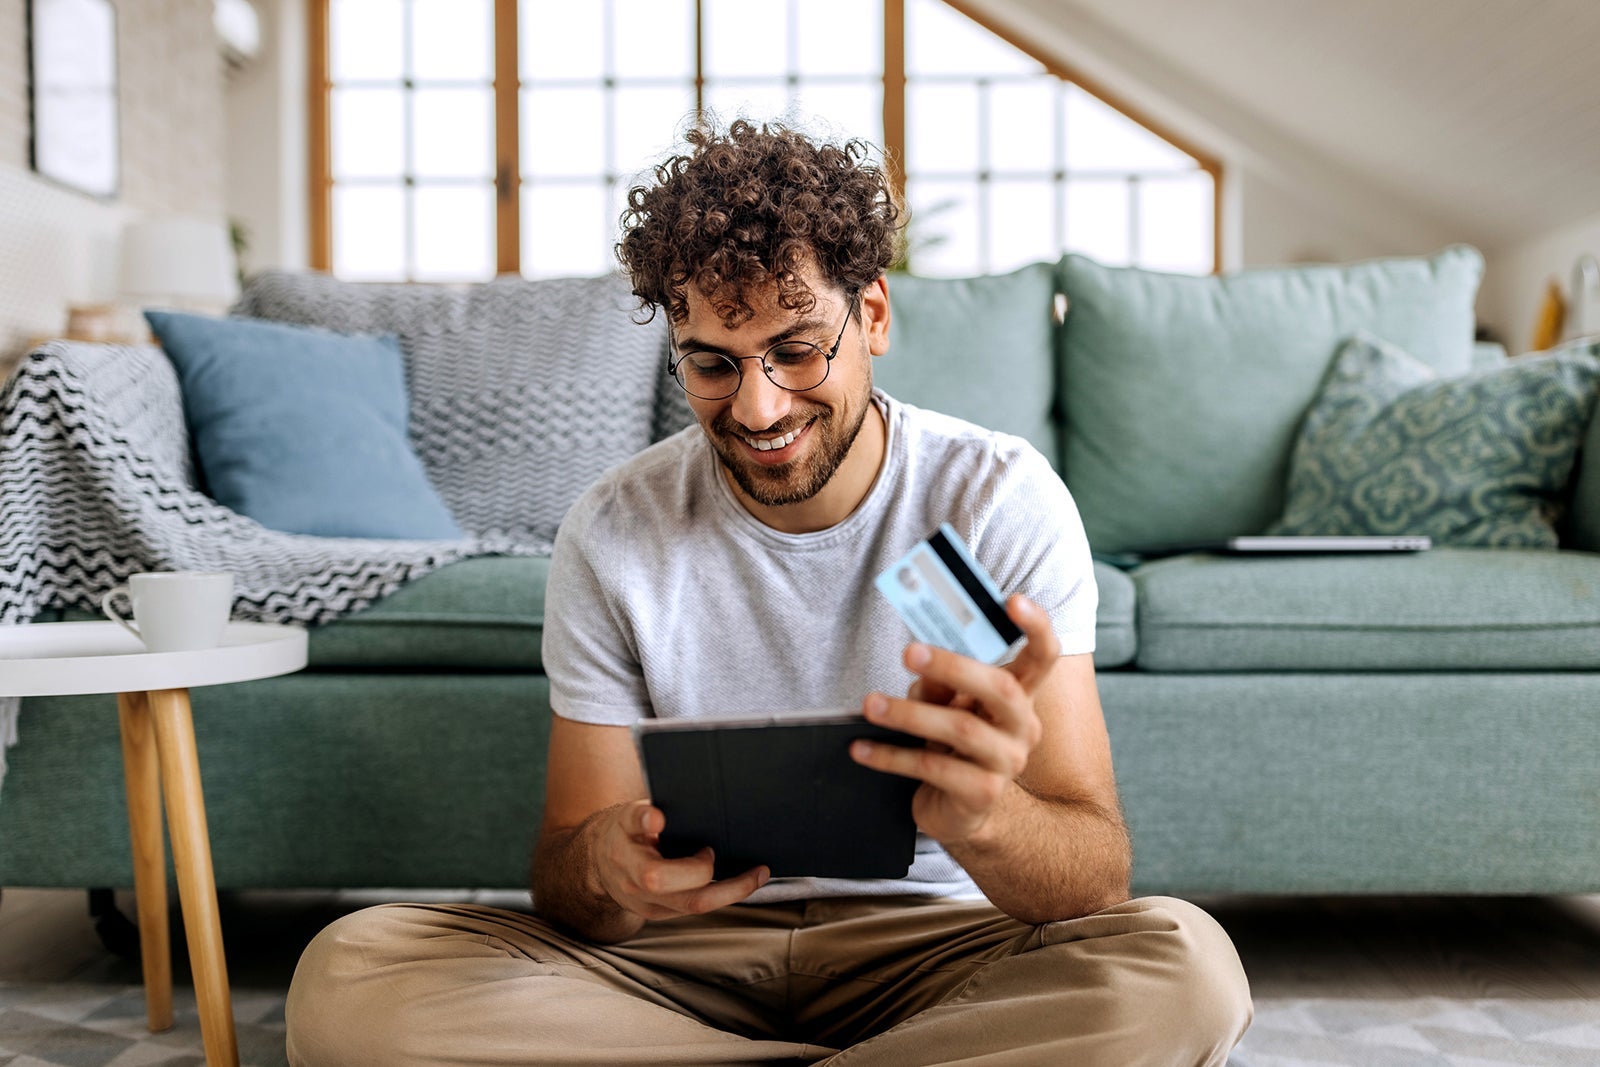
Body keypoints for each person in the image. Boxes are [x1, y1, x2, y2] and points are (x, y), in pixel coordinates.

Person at [285, 119, 1252, 1066]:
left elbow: (1094, 874)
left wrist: (991, 817)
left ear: (872, 313)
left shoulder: (997, 499)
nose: (757, 407)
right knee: (351, 975)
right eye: (711, 362)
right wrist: (607, 866)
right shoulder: (615, 528)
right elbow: (568, 881)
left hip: (937, 953)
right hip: (679, 960)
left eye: (797, 350)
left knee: (1187, 967)